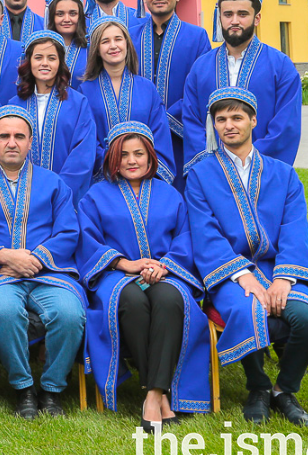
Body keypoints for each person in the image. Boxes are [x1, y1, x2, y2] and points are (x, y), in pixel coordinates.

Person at [185, 88, 308, 427]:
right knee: (248, 308)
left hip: (278, 267)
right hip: (228, 271)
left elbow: (294, 227)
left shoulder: (283, 174)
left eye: (237, 117)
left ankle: (284, 389)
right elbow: (204, 233)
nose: (229, 125)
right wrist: (242, 275)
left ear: (253, 120)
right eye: (221, 119)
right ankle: (257, 387)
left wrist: (284, 277)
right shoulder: (200, 174)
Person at [0, 106, 86, 419]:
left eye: (19, 136)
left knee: (69, 312)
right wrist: (4, 256)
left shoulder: (54, 183)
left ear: (30, 142)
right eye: (5, 136)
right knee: (4, 310)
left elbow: (68, 231)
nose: (12, 142)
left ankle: (51, 390)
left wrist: (35, 259)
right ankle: (23, 388)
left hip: (48, 274)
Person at [76, 122, 210, 429]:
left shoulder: (171, 195)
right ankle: (160, 394)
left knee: (171, 300)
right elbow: (87, 241)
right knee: (132, 301)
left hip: (166, 272)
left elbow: (185, 237)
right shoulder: (95, 196)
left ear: (151, 158)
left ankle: (152, 393)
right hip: (116, 275)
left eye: (139, 153)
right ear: (113, 159)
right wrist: (125, 264)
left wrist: (162, 266)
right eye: (123, 155)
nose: (132, 160)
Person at [181, 0, 303, 173]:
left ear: (257, 18)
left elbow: (286, 125)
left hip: (262, 169)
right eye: (228, 14)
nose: (234, 21)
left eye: (243, 14)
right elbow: (191, 120)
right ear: (219, 17)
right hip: (211, 171)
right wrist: (209, 164)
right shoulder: (201, 67)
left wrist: (249, 160)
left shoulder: (280, 66)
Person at [129, 0, 210, 190]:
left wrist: (162, 120)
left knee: (179, 198)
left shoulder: (197, 37)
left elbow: (199, 90)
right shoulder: (128, 37)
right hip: (135, 134)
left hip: (179, 136)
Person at [79, 19, 174, 185]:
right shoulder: (85, 91)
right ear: (97, 50)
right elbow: (87, 140)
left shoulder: (147, 88)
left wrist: (141, 162)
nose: (113, 46)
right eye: (105, 41)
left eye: (118, 39)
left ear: (127, 44)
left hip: (144, 178)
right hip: (104, 180)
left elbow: (160, 133)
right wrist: (114, 161)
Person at [9, 30, 97, 202]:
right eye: (38, 57)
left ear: (60, 63)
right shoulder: (14, 105)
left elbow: (83, 153)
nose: (45, 63)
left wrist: (59, 190)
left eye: (52, 58)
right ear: (28, 62)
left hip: (66, 196)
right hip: (23, 198)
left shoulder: (78, 103)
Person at [45, 0, 89, 92]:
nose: (67, 19)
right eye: (60, 14)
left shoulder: (90, 49)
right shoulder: (41, 48)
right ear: (52, 17)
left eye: (73, 13)